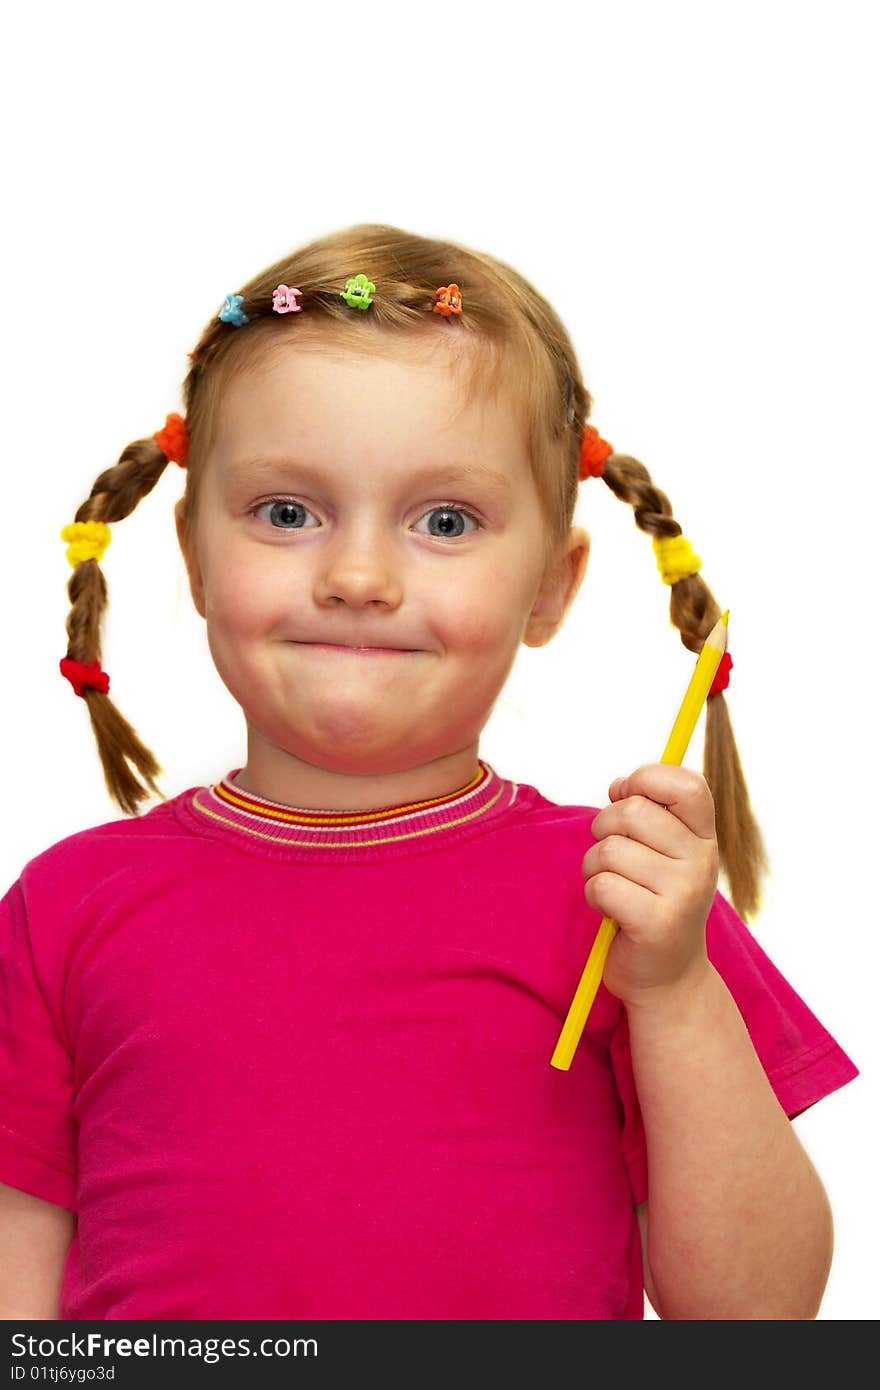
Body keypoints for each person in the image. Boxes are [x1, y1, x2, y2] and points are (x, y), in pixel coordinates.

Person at [0, 223, 858, 1321]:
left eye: (443, 521)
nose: (357, 574)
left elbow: (756, 1318)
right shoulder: (66, 906)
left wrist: (677, 993)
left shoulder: (628, 903)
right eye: (287, 512)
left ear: (550, 587)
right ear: (194, 558)